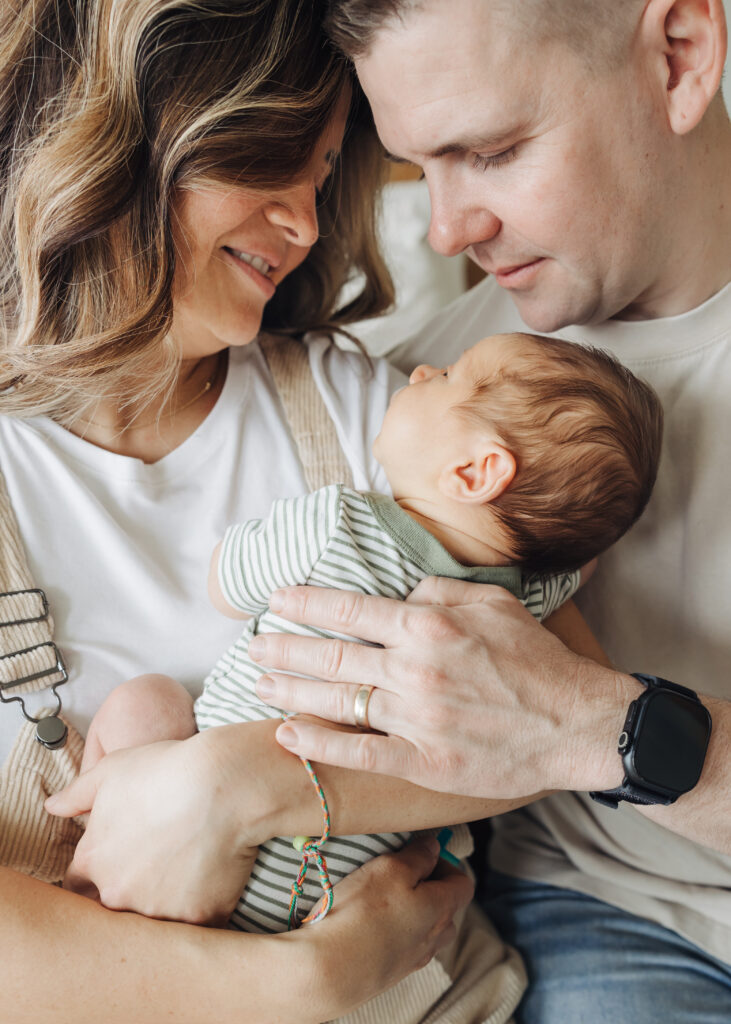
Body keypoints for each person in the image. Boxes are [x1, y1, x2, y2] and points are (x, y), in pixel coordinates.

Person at [226, 1, 731, 1021]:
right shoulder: (417, 398)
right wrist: (215, 795)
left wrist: (593, 724)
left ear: (679, 57)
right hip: (609, 919)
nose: (448, 228)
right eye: (420, 163)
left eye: (491, 151)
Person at [0, 3, 479, 1021]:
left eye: (321, 171)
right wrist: (301, 981)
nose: (304, 222)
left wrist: (237, 779)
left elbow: (535, 709)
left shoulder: (352, 410)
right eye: (272, 159)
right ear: (122, 133)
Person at [80, 331, 661, 943]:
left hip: (170, 856)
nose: (419, 372)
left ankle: (95, 842)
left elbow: (225, 584)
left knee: (147, 701)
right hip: (327, 896)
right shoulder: (521, 610)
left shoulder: (337, 522)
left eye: (447, 377)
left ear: (475, 470)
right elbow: (577, 582)